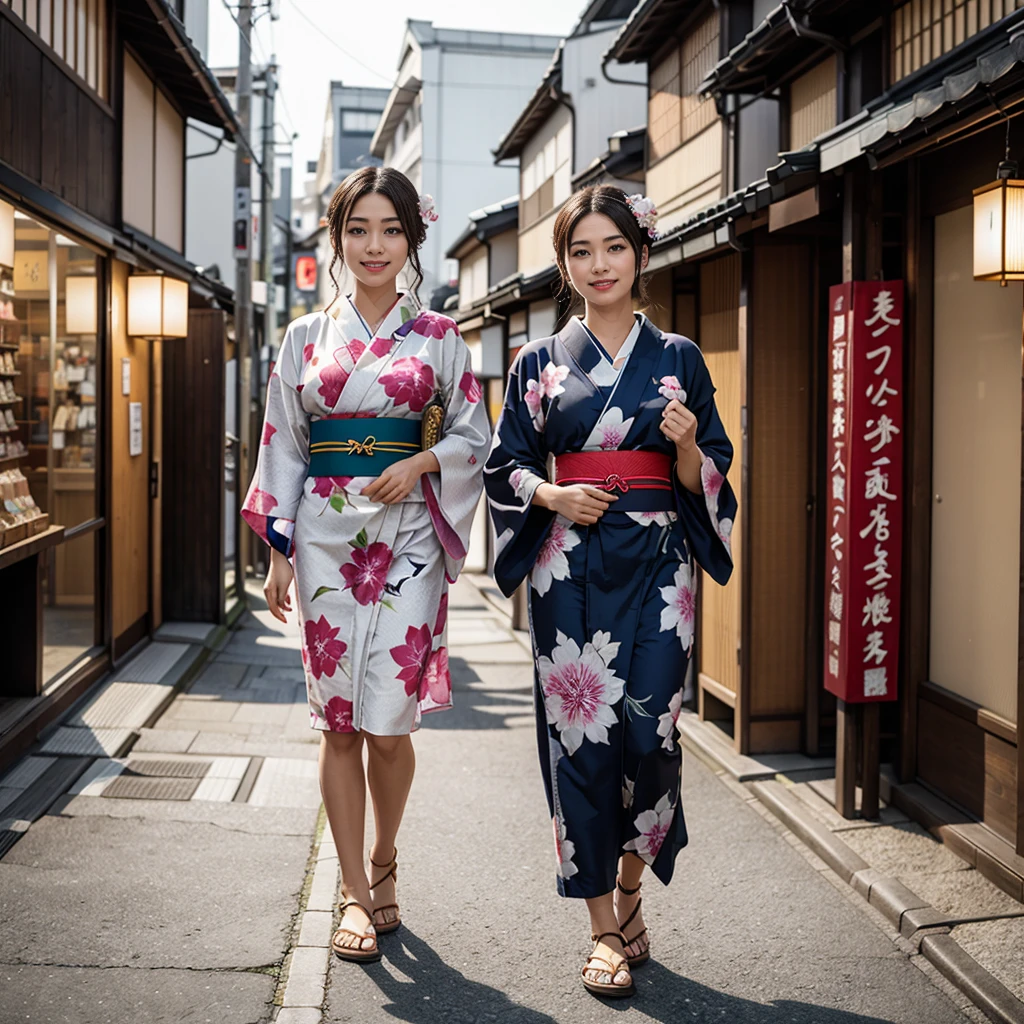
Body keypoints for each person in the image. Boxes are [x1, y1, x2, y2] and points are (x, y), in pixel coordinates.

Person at [484, 185, 736, 998]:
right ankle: (602, 927)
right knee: (581, 742)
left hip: (660, 566)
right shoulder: (535, 363)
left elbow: (712, 480)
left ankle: (632, 890)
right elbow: (503, 467)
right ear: (564, 265)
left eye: (614, 248)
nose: (599, 265)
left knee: (652, 734)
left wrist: (691, 444)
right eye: (582, 251)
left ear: (641, 255)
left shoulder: (681, 360)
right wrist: (551, 496)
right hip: (570, 566)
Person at [242, 166, 489, 964]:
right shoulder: (304, 337)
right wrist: (277, 549)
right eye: (357, 230)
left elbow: (475, 440)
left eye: (389, 230)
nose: (373, 246)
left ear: (412, 238)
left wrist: (421, 467)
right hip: (322, 537)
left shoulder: (442, 339)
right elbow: (283, 438)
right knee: (338, 724)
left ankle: (386, 856)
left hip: (410, 534)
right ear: (337, 237)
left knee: (388, 723)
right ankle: (356, 888)